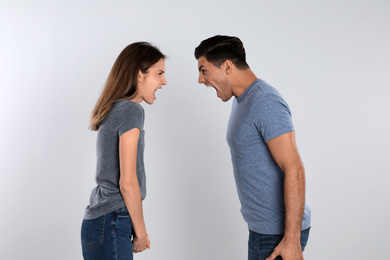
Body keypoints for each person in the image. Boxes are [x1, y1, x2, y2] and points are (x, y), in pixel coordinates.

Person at [194, 35, 311, 260]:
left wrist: (292, 240)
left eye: (204, 70)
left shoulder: (264, 101)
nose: (200, 79)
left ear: (227, 66)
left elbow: (294, 168)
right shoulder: (242, 100)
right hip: (261, 231)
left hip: (279, 235)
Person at [81, 42, 167, 260]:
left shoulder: (115, 108)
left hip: (98, 222)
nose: (163, 81)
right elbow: (127, 182)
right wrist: (140, 233)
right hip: (112, 220)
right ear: (140, 74)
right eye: (159, 74)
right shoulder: (130, 110)